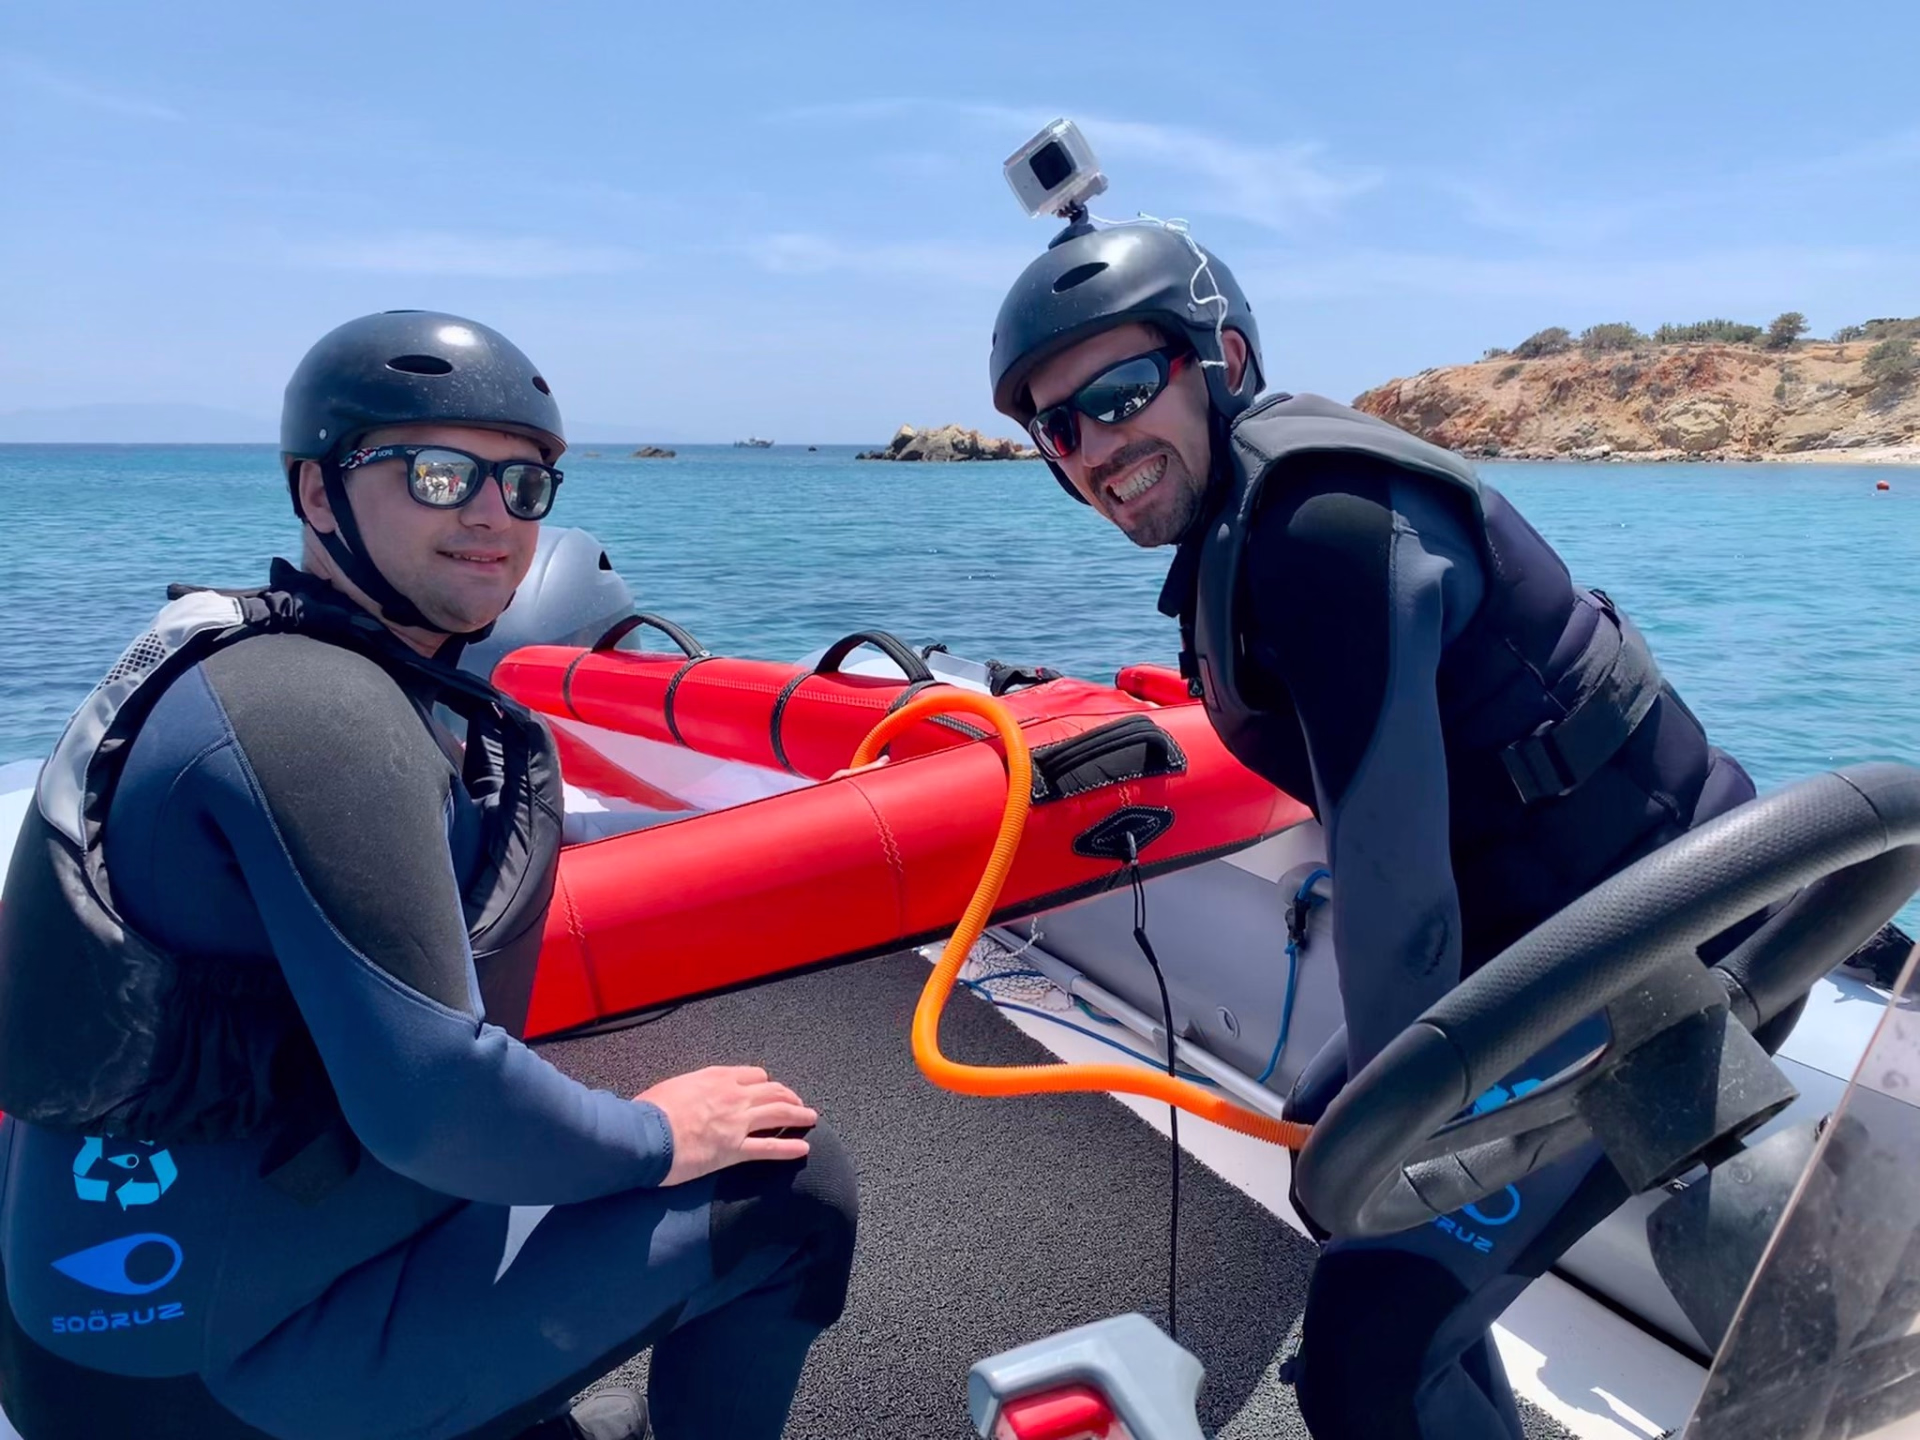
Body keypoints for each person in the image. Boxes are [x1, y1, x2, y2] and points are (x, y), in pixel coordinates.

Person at [987, 221, 1805, 1438]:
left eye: (1122, 391)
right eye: (1063, 427)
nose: (1100, 446)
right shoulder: (1251, 519)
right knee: (1331, 1147)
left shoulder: (1321, 528)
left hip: (1664, 940)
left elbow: (1400, 896)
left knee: (1363, 1360)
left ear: (1221, 356)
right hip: (1549, 928)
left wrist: (1402, 1141)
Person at [0, 310, 858, 1440]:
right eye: (441, 474)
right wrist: (660, 1134)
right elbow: (435, 1104)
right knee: (791, 1184)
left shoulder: (253, 669)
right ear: (318, 494)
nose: (495, 517)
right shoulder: (315, 713)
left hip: (160, 1299)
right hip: (204, 1379)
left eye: (525, 484)